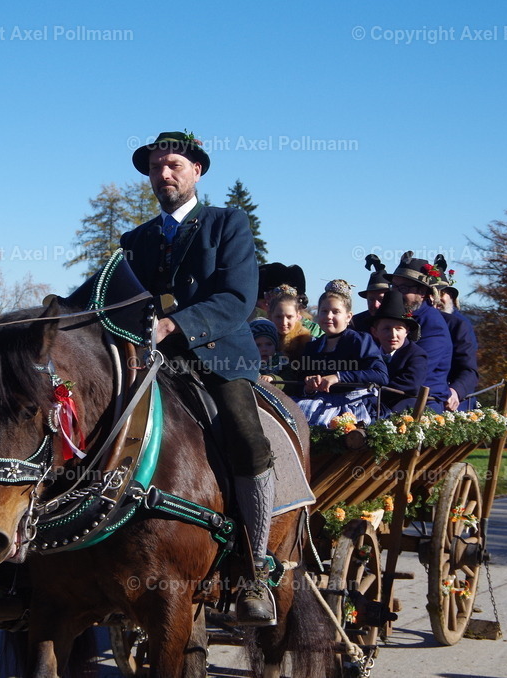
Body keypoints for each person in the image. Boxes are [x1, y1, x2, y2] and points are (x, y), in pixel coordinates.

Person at [120, 130, 276, 625]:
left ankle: (255, 570)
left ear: (197, 172)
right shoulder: (136, 240)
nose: (163, 175)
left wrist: (175, 323)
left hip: (217, 358)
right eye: (155, 168)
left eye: (173, 166)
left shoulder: (228, 224)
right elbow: (115, 298)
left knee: (246, 436)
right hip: (151, 361)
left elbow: (236, 297)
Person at [294, 280, 388, 426]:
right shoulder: (312, 347)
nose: (329, 316)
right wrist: (309, 386)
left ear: (348, 317)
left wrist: (338, 377)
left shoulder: (360, 341)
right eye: (324, 311)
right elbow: (300, 383)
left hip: (354, 404)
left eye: (335, 312)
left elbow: (380, 375)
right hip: (318, 404)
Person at [385, 252, 453, 412]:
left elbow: (414, 375)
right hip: (392, 394)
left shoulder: (433, 325)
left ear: (422, 292)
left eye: (404, 288)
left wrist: (373, 388)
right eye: (394, 286)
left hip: (420, 402)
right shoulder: (394, 318)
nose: (396, 293)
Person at [431, 255, 479, 411]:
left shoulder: (459, 325)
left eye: (442, 294)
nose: (438, 299)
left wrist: (456, 391)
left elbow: (468, 368)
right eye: (433, 294)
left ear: (450, 297)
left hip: (452, 399)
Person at [368, 289, 427, 414]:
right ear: (375, 332)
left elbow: (409, 385)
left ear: (407, 331)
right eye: (386, 329)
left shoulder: (416, 355)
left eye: (398, 329)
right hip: (368, 409)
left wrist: (372, 394)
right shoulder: (368, 353)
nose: (393, 335)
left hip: (400, 414)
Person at [266, 284, 312, 361]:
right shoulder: (261, 339)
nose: (284, 322)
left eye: (289, 317)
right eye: (278, 317)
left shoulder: (306, 343)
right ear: (270, 315)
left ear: (297, 316)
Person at [351, 254, 390, 335]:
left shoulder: (401, 323)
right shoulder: (355, 323)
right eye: (371, 299)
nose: (375, 305)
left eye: (381, 299)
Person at [250, 318, 284, 387]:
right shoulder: (244, 364)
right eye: (258, 345)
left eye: (269, 344)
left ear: (275, 346)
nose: (264, 349)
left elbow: (289, 383)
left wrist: (273, 379)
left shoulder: (282, 364)